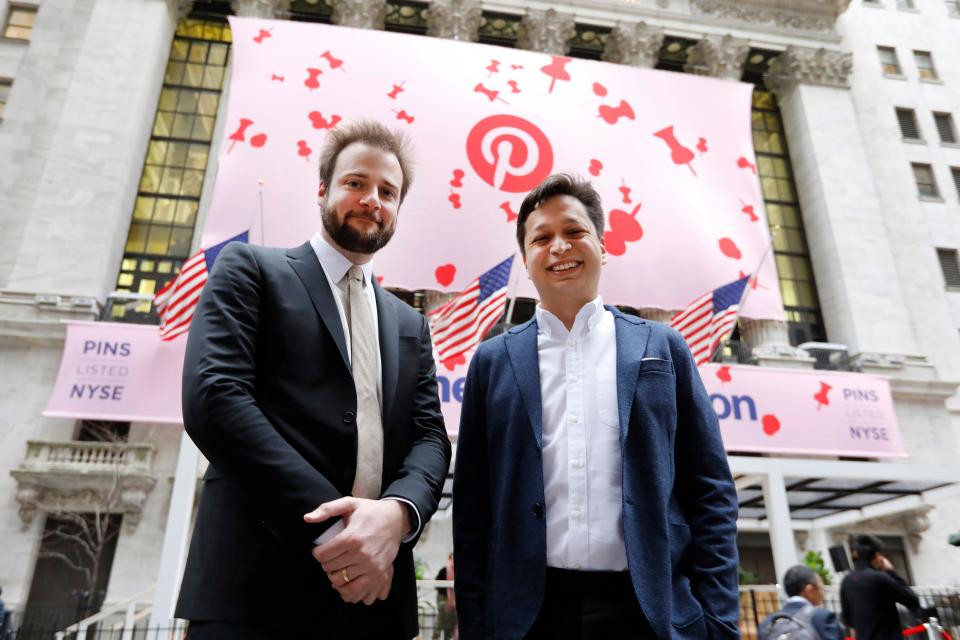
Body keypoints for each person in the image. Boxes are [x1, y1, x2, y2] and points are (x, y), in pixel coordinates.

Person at [175, 120, 451, 639]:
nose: (371, 199)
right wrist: (341, 530)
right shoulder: (251, 269)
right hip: (255, 592)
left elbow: (430, 437)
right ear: (323, 189)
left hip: (376, 599)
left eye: (387, 192)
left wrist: (397, 514)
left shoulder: (409, 322)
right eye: (355, 183)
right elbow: (216, 398)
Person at [452, 174, 739, 640]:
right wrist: (478, 625)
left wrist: (719, 620)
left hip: (650, 613)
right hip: (528, 617)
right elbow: (471, 509)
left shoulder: (662, 347)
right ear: (525, 260)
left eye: (574, 232)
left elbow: (711, 491)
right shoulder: (492, 361)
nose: (559, 247)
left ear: (602, 246)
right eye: (541, 238)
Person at [840, 534, 920, 640]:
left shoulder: (846, 581)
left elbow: (847, 620)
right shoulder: (879, 578)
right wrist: (891, 572)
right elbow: (912, 600)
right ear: (876, 556)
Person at [759, 565, 841, 640]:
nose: (823, 592)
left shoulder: (767, 623)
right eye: (821, 588)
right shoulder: (823, 617)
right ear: (810, 590)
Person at [433, 554, 458, 640]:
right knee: (442, 616)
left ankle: (447, 637)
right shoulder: (444, 570)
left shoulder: (459, 570)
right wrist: (446, 595)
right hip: (442, 597)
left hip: (454, 601)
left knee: (451, 619)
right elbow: (437, 584)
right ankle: (436, 636)